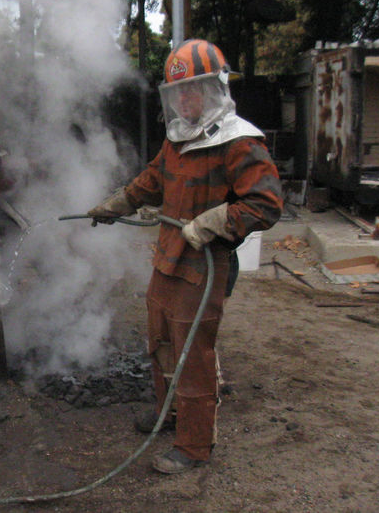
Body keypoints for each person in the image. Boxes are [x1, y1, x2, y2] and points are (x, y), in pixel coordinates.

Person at [88, 39, 283, 474]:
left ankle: (194, 446)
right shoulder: (178, 138)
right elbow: (152, 181)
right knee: (160, 340)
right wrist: (117, 204)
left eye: (192, 89)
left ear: (214, 88)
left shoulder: (238, 142)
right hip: (168, 258)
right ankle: (170, 413)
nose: (184, 99)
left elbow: (266, 203)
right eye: (178, 92)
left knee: (193, 351)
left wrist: (214, 221)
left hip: (204, 265)